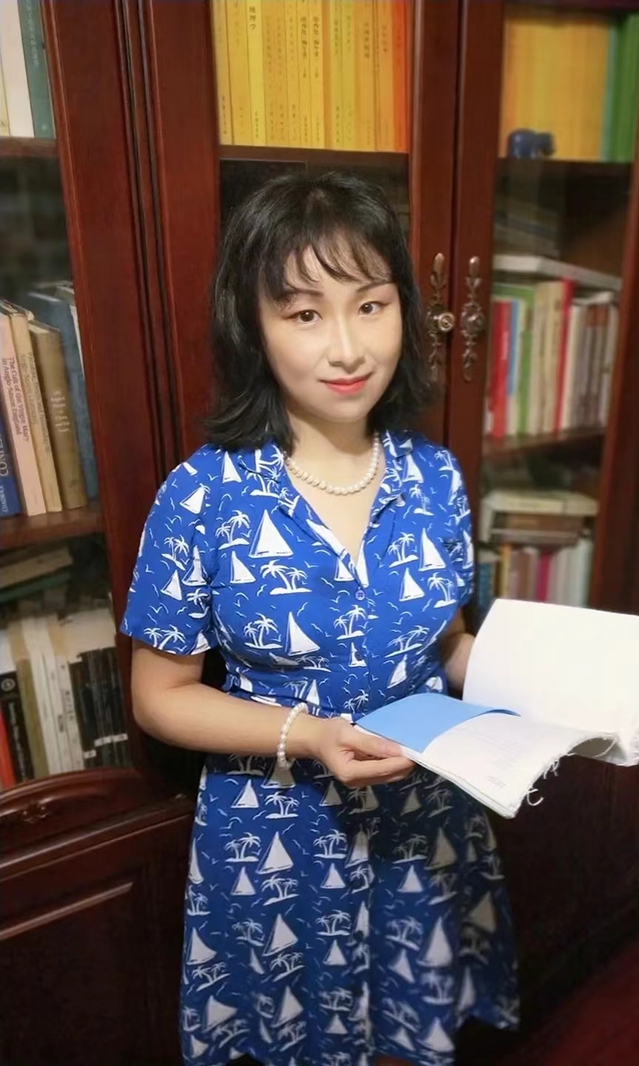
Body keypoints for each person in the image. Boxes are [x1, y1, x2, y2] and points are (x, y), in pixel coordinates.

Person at [121, 171, 519, 1066]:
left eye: (370, 305)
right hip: (281, 834)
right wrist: (310, 736)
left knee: (408, 1026)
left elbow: (447, 643)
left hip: (423, 812)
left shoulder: (434, 475)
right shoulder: (202, 495)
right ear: (252, 327)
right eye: (304, 314)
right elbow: (160, 697)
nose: (347, 347)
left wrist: (547, 685)